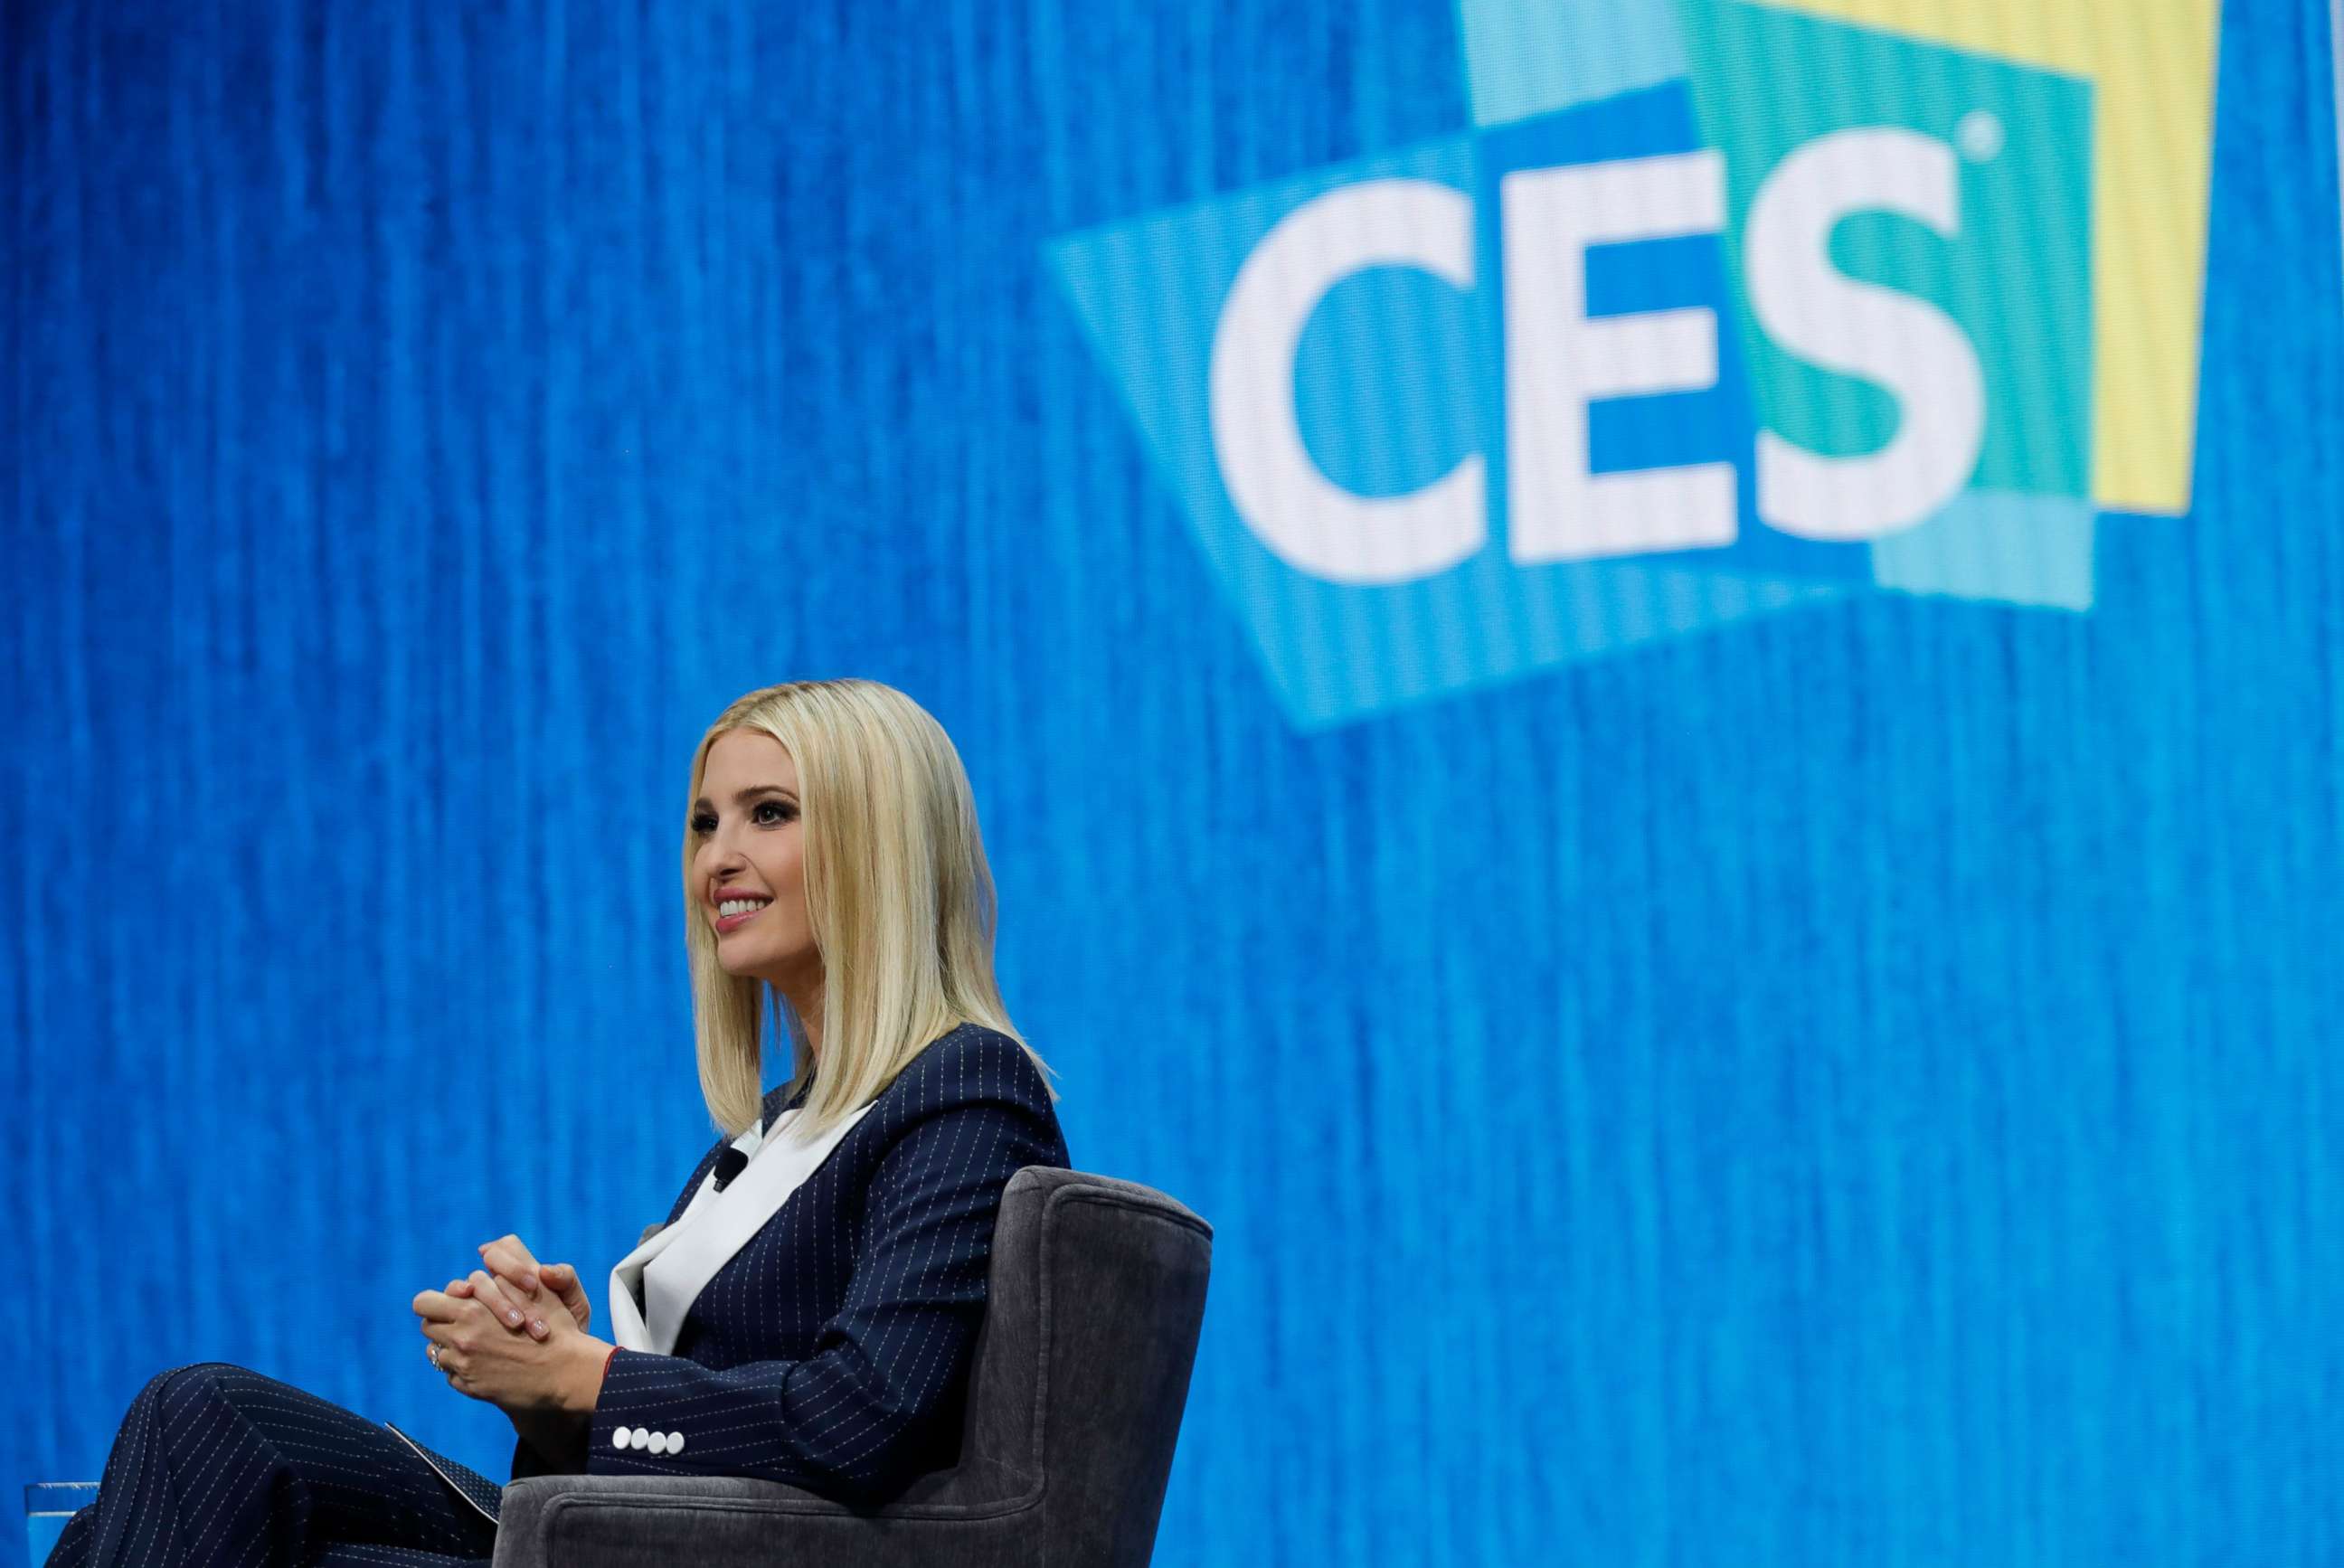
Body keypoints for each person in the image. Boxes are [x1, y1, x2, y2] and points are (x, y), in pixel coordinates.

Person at [51, 678, 1069, 1565]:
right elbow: (672, 1427)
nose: (719, 856)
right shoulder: (773, 1134)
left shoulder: (966, 1092)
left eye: (769, 813)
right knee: (124, 1521)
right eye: (705, 822)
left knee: (207, 1422)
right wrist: (547, 1384)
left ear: (878, 844)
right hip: (633, 1536)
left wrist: (589, 1377)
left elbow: (862, 1417)